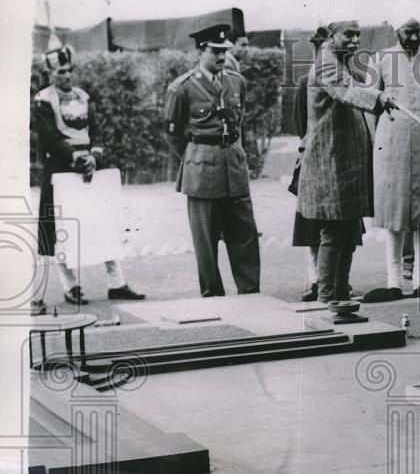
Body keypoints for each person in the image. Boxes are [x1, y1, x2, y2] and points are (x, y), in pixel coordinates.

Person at [31, 44, 145, 313]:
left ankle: (117, 282)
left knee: (104, 222)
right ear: (49, 73)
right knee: (62, 229)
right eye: (61, 72)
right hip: (60, 169)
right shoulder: (43, 100)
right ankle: (70, 286)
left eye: (70, 70)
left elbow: (97, 130)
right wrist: (75, 157)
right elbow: (50, 137)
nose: (67, 76)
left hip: (90, 170)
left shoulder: (84, 97)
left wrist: (94, 156)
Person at [297, 20, 393, 304]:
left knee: (349, 231)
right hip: (331, 165)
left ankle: (340, 292)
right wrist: (380, 96)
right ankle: (327, 297)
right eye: (348, 35)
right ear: (331, 35)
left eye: (358, 35)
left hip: (345, 165)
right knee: (334, 232)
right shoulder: (326, 63)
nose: (355, 41)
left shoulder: (340, 60)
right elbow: (347, 92)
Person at [163, 24, 261, 297]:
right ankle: (213, 296)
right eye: (215, 51)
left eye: (224, 51)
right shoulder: (182, 88)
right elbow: (173, 134)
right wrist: (196, 157)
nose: (221, 56)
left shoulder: (236, 82)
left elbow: (238, 124)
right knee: (206, 241)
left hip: (234, 167)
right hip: (202, 173)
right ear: (200, 51)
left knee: (245, 235)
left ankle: (251, 293)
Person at [363, 9, 420, 302]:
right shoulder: (380, 59)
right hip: (391, 148)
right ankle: (394, 282)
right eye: (407, 31)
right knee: (394, 212)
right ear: (394, 30)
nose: (413, 37)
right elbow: (368, 102)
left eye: (417, 31)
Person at [290, 26, 327, 301]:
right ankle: (315, 278)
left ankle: (335, 277)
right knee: (312, 225)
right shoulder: (306, 82)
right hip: (315, 161)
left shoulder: (350, 81)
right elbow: (300, 123)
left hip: (340, 163)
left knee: (340, 227)